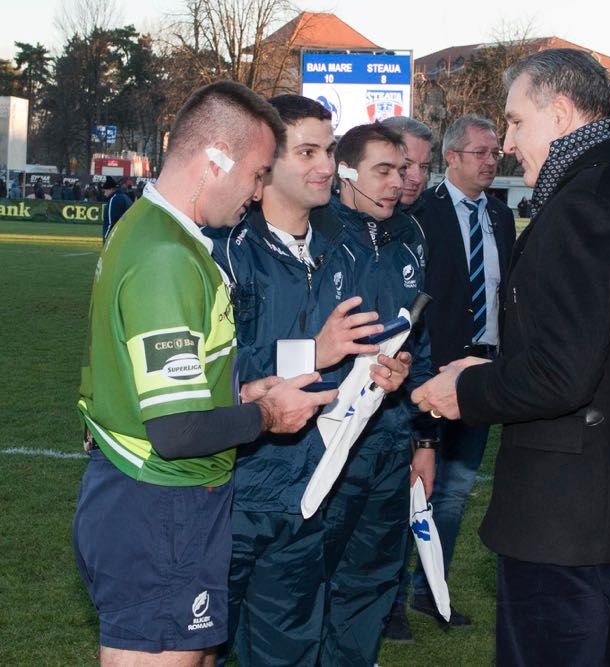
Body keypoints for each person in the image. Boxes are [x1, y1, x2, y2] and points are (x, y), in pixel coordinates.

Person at [412, 48, 610, 666]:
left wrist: (461, 393)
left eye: (516, 122)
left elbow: (561, 375)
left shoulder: (586, 207)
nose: (509, 145)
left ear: (562, 114)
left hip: (571, 516)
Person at [72, 80, 338, 667]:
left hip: (159, 504)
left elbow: (164, 383)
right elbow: (178, 431)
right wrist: (269, 414)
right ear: (215, 159)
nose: (257, 188)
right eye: (257, 171)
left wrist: (242, 389)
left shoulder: (161, 236)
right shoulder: (168, 256)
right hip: (158, 506)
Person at [210, 95, 419, 666]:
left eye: (328, 150)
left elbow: (351, 354)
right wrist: (313, 351)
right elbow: (208, 376)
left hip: (308, 494)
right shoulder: (223, 251)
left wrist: (379, 374)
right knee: (194, 650)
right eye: (307, 151)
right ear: (265, 160)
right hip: (227, 494)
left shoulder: (346, 249)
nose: (327, 165)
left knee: (288, 653)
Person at [385, 114, 516, 641]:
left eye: (495, 153)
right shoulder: (421, 216)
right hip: (431, 375)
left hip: (484, 375)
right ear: (454, 158)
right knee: (413, 487)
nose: (492, 161)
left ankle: (429, 589)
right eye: (481, 153)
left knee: (456, 490)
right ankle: (390, 599)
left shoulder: (502, 217)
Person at [321, 121, 437, 666]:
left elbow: (423, 342)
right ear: (346, 172)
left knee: (372, 581)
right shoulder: (317, 233)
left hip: (390, 442)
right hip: (325, 444)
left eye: (404, 170)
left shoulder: (410, 234)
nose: (399, 182)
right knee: (309, 582)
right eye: (384, 171)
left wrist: (425, 438)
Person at [101, 176, 133, 241]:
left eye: (105, 190)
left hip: (115, 239)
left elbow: (110, 222)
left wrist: (106, 239)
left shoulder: (114, 200)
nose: (104, 193)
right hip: (127, 237)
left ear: (111, 189)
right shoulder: (126, 198)